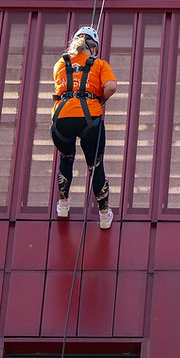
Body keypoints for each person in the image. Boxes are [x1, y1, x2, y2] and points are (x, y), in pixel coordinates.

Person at [51, 26, 118, 228]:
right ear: (94, 47)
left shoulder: (60, 63)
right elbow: (111, 86)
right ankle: (104, 214)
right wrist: (101, 98)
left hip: (61, 118)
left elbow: (62, 87)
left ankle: (63, 204)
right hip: (90, 117)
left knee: (66, 158)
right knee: (95, 165)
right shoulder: (99, 64)